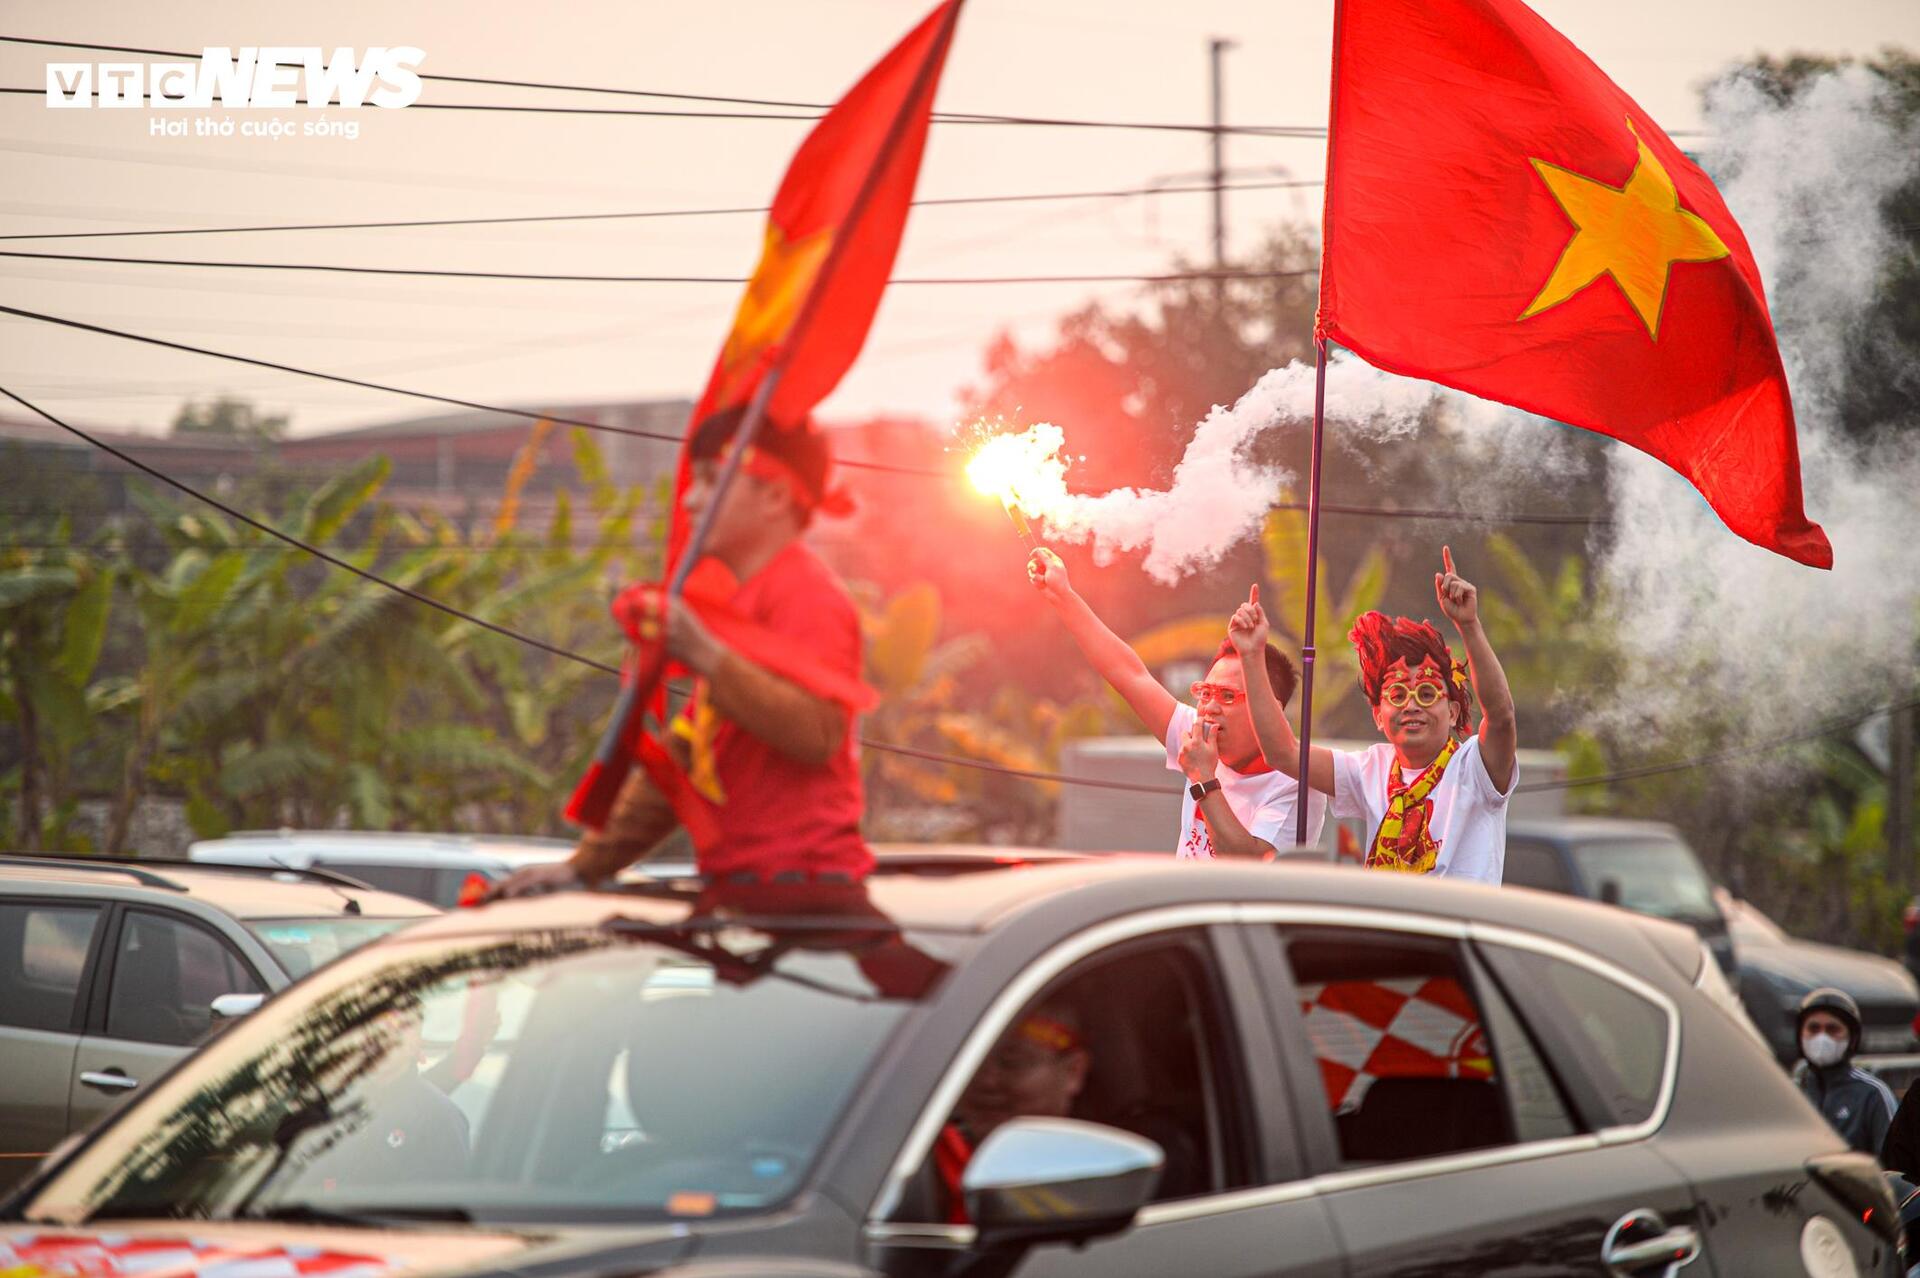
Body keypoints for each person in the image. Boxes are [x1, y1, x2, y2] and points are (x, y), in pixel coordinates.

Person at [492, 407, 870, 897]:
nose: (691, 502)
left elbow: (819, 733)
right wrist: (584, 866)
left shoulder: (806, 593)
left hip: (805, 891)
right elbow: (689, 756)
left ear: (775, 496)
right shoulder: (741, 603)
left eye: (712, 481)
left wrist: (705, 653)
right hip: (747, 888)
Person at [1229, 546, 1518, 884]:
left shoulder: (1475, 767)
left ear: (1453, 713)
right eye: (1397, 694)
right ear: (1379, 716)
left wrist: (1469, 625)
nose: (1412, 705)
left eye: (1426, 694)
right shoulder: (1371, 769)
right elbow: (1283, 753)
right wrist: (1251, 656)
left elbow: (1501, 717)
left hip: (1452, 934)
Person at [1026, 547, 1324, 859]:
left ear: (1270, 708)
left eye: (1226, 696)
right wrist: (1063, 595)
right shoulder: (1197, 733)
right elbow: (1128, 673)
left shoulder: (1299, 783)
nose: (1208, 707)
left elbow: (1248, 861)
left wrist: (1203, 779)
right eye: (1205, 692)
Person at [1786, 988, 1895, 1157]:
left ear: (1852, 1038)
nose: (1822, 1038)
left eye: (1832, 1029)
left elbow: (1893, 1167)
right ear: (1800, 1035)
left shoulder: (1872, 1094)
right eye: (1813, 1029)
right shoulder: (1789, 1093)